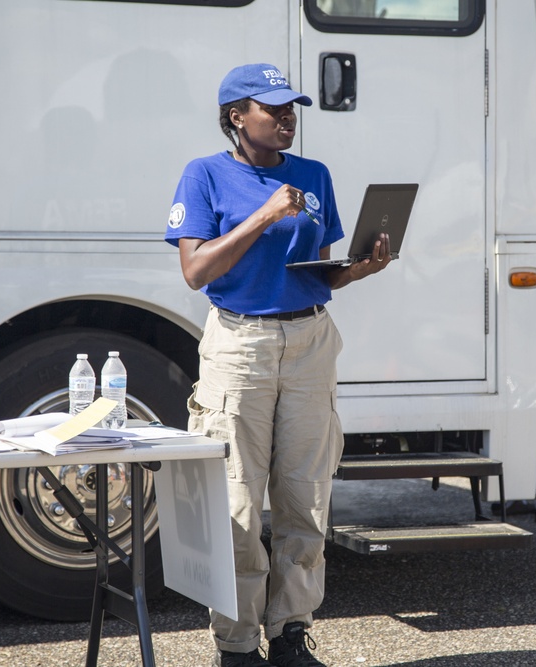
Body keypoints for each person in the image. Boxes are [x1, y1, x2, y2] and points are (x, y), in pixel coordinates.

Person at [165, 63, 391, 667]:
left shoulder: (314, 175)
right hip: (240, 347)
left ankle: (291, 629)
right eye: (273, 108)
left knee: (305, 494)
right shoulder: (205, 174)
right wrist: (264, 214)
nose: (288, 116)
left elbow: (321, 271)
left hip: (311, 338)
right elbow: (195, 272)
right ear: (237, 117)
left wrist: (359, 269)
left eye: (292, 107)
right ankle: (237, 644)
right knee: (237, 499)